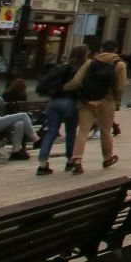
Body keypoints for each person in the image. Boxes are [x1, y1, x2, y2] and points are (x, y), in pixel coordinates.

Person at [63, 39, 127, 174]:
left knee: (83, 131)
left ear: (102, 49)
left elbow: (76, 81)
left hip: (87, 101)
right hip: (107, 100)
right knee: (105, 131)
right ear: (115, 50)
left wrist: (64, 88)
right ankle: (107, 158)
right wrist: (117, 101)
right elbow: (120, 87)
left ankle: (77, 159)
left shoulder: (90, 62)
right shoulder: (119, 64)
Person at [35, 45, 84, 175]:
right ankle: (70, 160)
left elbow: (43, 83)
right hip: (70, 102)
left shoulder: (59, 68)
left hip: (54, 102)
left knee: (51, 132)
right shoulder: (79, 69)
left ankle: (42, 164)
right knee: (71, 132)